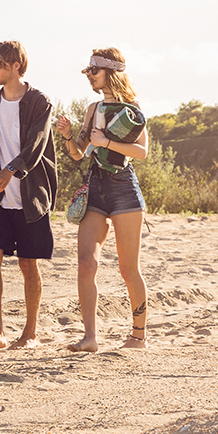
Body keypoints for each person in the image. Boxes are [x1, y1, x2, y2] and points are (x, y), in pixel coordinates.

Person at [55, 48, 149, 351]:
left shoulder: (132, 110)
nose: (89, 75)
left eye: (94, 70)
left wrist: (107, 141)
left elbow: (142, 153)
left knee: (128, 269)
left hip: (123, 188)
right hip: (95, 187)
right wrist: (69, 136)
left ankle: (138, 336)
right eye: (88, 70)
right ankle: (90, 338)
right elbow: (79, 153)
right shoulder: (93, 108)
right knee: (86, 264)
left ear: (111, 71)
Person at [0, 41, 57, 351]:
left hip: (30, 195)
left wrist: (10, 171)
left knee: (27, 263)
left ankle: (30, 333)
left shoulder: (40, 101)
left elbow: (35, 146)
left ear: (16, 66)